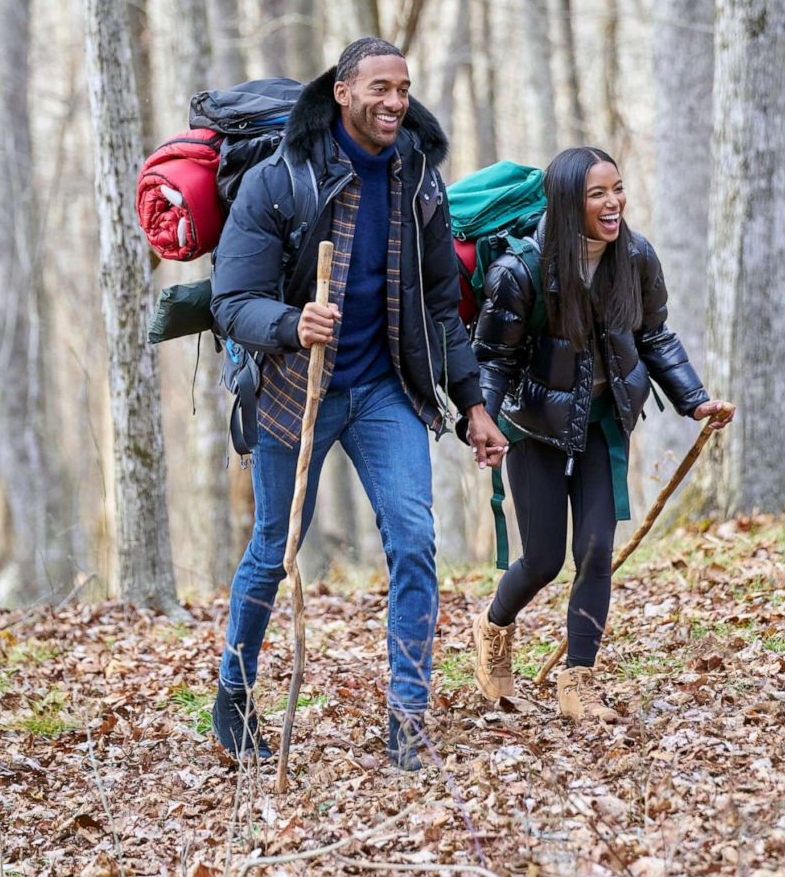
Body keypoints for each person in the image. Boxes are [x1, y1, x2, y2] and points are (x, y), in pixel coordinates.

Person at [209, 37, 507, 769]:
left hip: (384, 388)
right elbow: (230, 301)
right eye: (379, 87)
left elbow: (442, 306)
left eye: (403, 88)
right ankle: (233, 688)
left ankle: (408, 716)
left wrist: (471, 404)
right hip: (293, 385)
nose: (394, 101)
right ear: (341, 91)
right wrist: (290, 324)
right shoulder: (282, 179)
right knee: (274, 551)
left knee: (413, 540)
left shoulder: (418, 181)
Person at [469, 146, 734, 723]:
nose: (613, 202)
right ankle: (493, 627)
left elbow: (655, 336)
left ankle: (579, 681)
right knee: (541, 559)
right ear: (569, 202)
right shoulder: (520, 270)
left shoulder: (635, 257)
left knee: (594, 551)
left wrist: (695, 399)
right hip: (534, 428)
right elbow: (492, 357)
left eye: (617, 188)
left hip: (602, 425)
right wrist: (483, 419)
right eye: (597, 194)